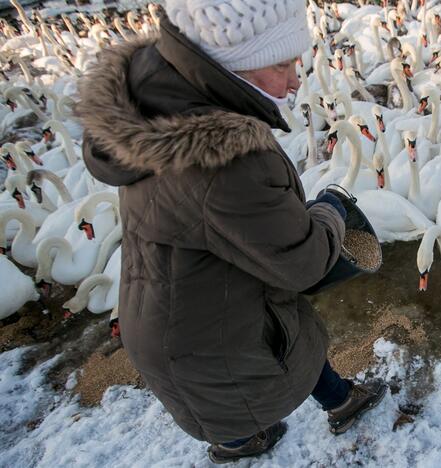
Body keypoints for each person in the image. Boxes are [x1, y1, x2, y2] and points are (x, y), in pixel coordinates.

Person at [75, 0, 386, 463]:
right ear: (234, 66)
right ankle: (243, 442)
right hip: (203, 332)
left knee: (286, 345)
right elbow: (304, 263)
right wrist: (332, 210)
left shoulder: (154, 108)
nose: (297, 80)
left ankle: (328, 403)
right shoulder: (229, 160)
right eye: (282, 63)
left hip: (167, 309)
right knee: (247, 382)